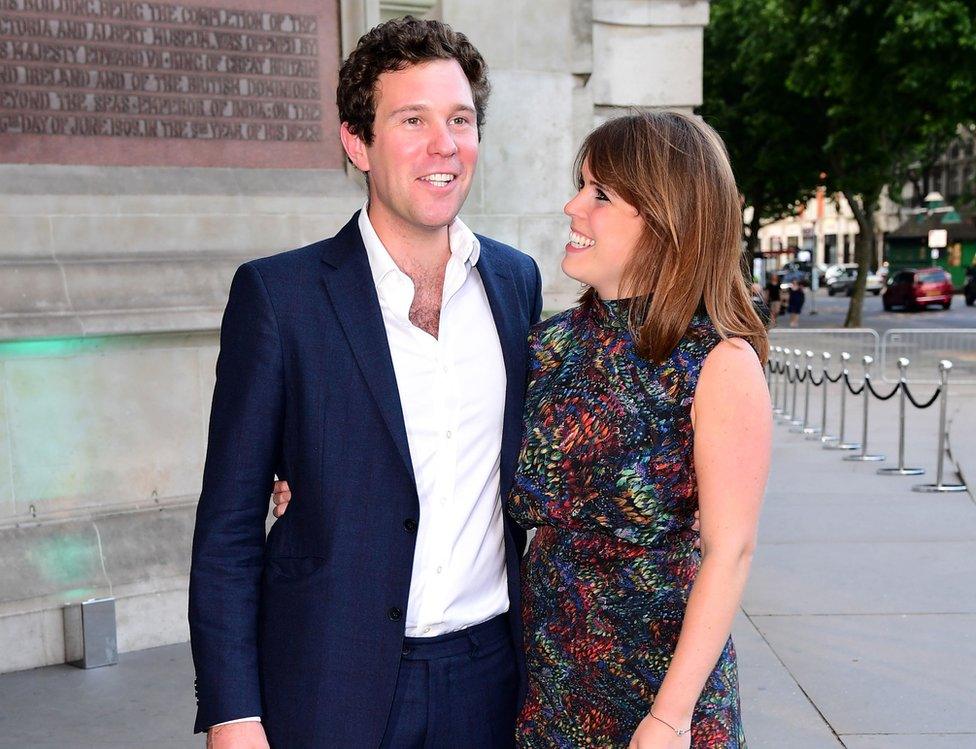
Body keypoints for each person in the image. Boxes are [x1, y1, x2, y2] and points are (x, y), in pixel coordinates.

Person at [189, 16, 542, 749]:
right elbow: (227, 527)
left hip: (491, 679)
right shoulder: (279, 298)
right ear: (358, 141)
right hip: (330, 681)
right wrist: (233, 711)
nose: (443, 145)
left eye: (460, 119)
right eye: (412, 120)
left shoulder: (516, 284)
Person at [508, 112, 770, 748]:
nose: (572, 206)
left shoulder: (718, 363)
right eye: (581, 185)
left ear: (665, 217)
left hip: (663, 694)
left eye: (600, 193)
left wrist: (669, 717)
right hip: (549, 687)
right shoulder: (548, 347)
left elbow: (728, 552)